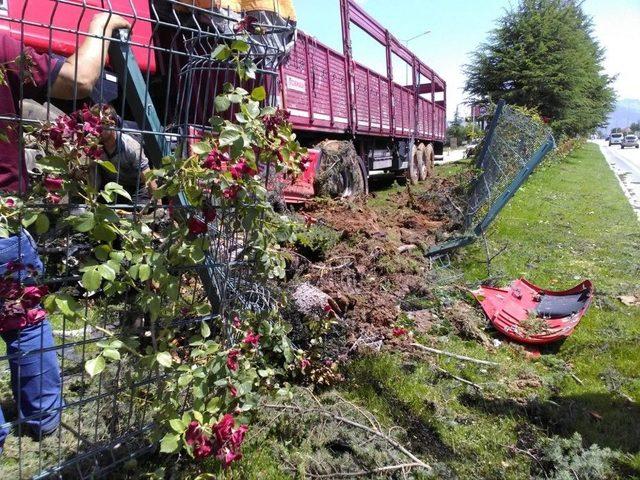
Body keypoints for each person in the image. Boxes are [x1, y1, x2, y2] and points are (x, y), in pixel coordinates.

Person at [0, 12, 130, 452]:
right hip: (3, 224)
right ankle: (43, 418)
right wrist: (101, 23)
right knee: (24, 320)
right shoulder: (2, 47)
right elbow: (80, 79)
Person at [96, 104, 157, 206]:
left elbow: (147, 176)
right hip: (112, 188)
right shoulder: (94, 146)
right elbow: (93, 175)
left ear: (114, 124)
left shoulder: (131, 146)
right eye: (94, 124)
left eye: (102, 123)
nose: (97, 128)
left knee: (140, 210)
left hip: (136, 187)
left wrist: (158, 205)